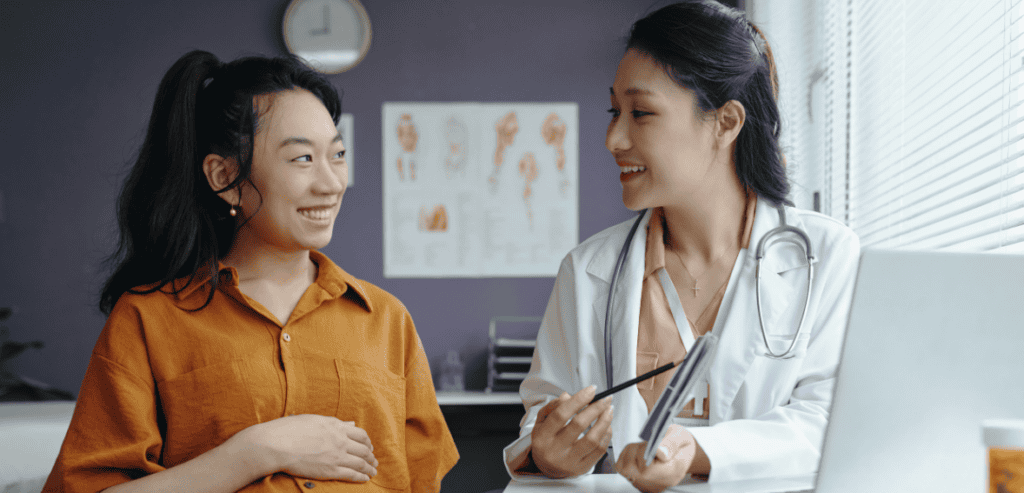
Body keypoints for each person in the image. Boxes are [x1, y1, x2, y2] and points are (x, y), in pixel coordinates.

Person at [42, 51, 458, 493]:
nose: (332, 182)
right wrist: (257, 451)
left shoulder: (387, 320)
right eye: (302, 159)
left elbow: (421, 481)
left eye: (337, 154)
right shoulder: (147, 320)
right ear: (224, 176)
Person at [503, 2, 860, 491]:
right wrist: (549, 452)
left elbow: (834, 424)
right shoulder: (589, 271)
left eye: (641, 113)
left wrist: (699, 451)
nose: (613, 137)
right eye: (614, 111)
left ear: (727, 123)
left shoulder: (826, 256)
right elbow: (543, 417)